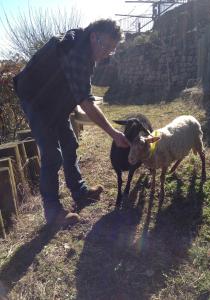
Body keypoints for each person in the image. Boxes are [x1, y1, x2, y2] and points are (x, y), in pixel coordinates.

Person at [13, 19, 130, 226]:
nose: (107, 54)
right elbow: (86, 102)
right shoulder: (76, 51)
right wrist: (114, 133)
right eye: (106, 47)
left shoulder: (87, 50)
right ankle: (53, 212)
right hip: (35, 99)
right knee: (51, 154)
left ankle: (80, 191)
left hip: (53, 98)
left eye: (112, 50)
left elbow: (82, 92)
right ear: (95, 37)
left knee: (69, 144)